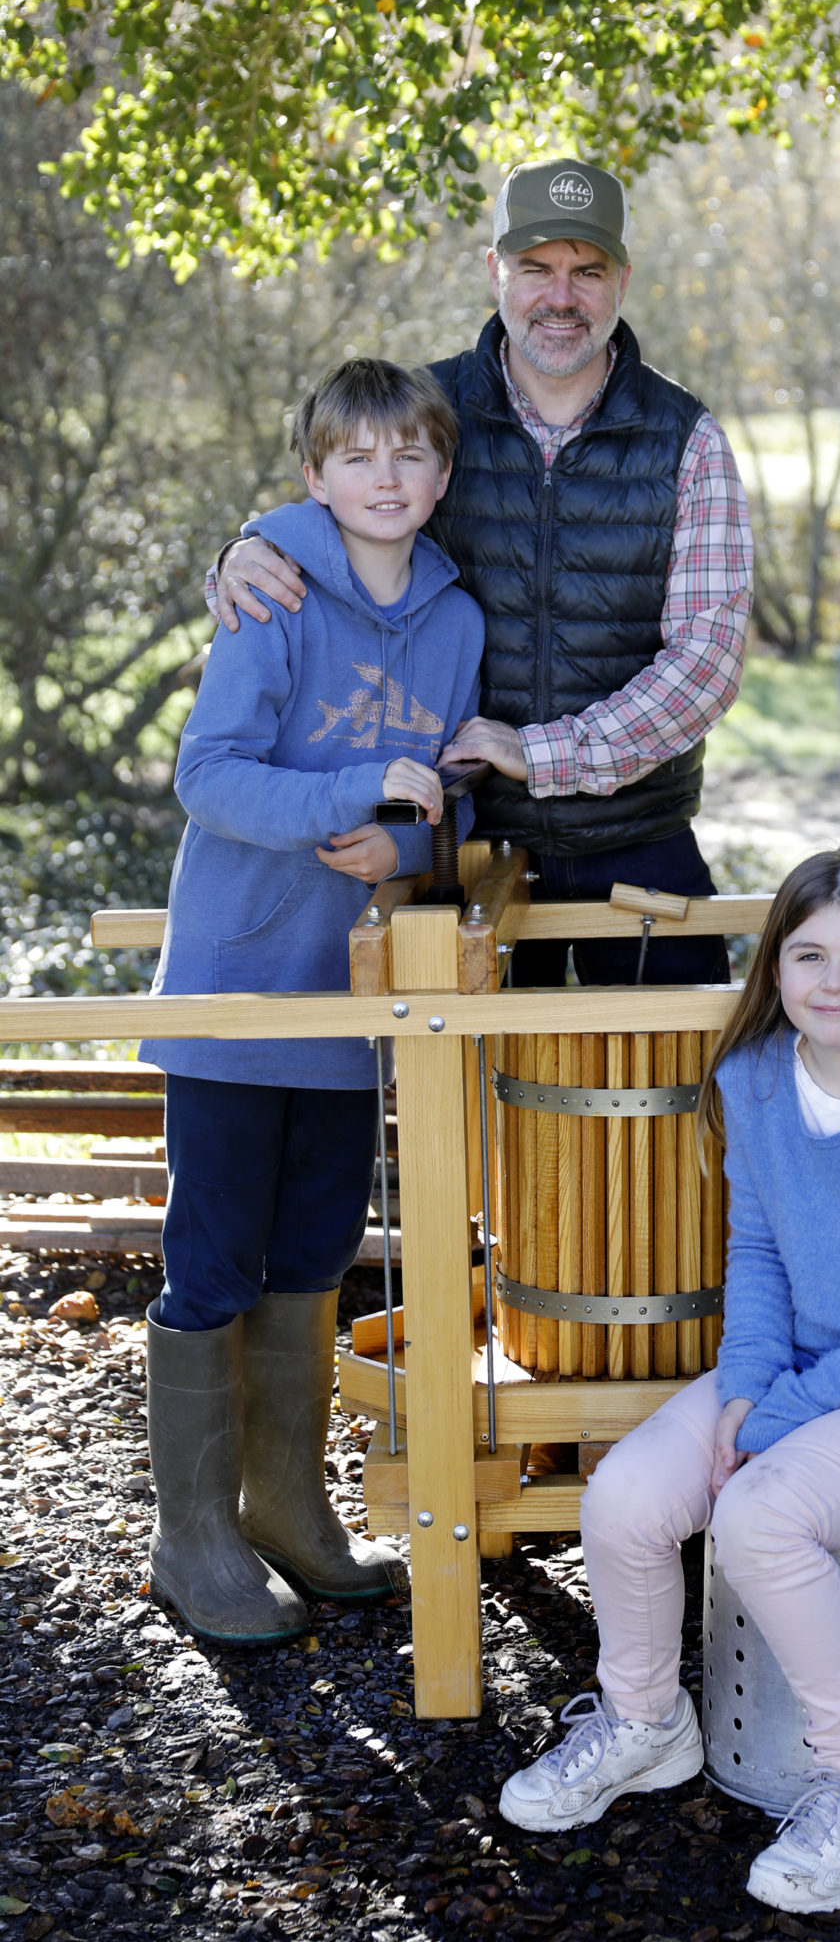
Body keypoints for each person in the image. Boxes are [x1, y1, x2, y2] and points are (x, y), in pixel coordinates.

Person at [496, 846, 840, 1915]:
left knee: (760, 1515)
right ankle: (647, 1722)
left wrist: (776, 1418)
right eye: (809, 955)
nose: (836, 981)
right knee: (627, 1495)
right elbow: (759, 1254)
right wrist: (745, 1389)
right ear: (773, 968)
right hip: (791, 1371)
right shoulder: (752, 1079)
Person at [210, 158, 752, 983]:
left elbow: (705, 666)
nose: (560, 297)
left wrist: (546, 752)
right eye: (535, 268)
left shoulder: (687, 439)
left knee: (674, 1094)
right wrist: (244, 549)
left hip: (639, 834)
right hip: (458, 843)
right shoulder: (425, 413)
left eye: (587, 271)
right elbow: (333, 532)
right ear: (494, 269)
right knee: (480, 1102)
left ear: (622, 282)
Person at [141, 359, 485, 1644]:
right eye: (358, 458)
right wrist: (350, 794)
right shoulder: (271, 588)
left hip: (350, 1006)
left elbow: (433, 807)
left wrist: (400, 850)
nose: (385, 479)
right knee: (215, 1255)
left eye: (409, 457)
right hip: (234, 988)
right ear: (314, 475)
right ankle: (194, 1537)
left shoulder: (457, 621)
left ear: (441, 477)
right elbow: (208, 777)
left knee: (312, 1252)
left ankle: (287, 1508)